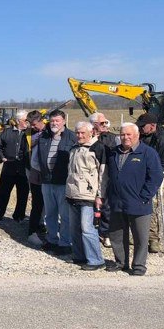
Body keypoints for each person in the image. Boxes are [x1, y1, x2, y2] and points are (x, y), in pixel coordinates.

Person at [103, 123, 164, 276]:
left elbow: (155, 177)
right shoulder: (113, 153)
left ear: (137, 135)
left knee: (140, 237)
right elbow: (108, 177)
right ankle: (121, 262)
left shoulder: (147, 153)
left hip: (139, 203)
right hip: (117, 202)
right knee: (117, 234)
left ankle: (138, 266)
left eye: (129, 134)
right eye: (123, 134)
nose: (125, 137)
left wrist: (144, 197)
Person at [30, 110, 76, 255]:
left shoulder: (71, 137)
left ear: (64, 121)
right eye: (52, 121)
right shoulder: (44, 136)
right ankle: (51, 240)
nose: (54, 123)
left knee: (65, 215)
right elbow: (35, 159)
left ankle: (64, 242)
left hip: (63, 182)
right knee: (50, 214)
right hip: (47, 181)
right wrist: (43, 171)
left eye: (57, 120)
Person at [65, 121, 107, 271]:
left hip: (89, 196)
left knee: (87, 228)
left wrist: (100, 196)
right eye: (77, 133)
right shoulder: (74, 148)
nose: (79, 135)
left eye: (83, 133)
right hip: (72, 194)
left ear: (92, 132)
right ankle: (79, 256)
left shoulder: (98, 148)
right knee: (74, 228)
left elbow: (102, 175)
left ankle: (96, 260)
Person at [136, 112, 164, 254]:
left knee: (150, 207)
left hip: (152, 178)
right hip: (137, 176)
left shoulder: (163, 140)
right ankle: (138, 235)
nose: (140, 129)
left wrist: (157, 178)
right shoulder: (139, 137)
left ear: (152, 126)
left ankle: (153, 239)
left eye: (142, 126)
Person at [0, 110, 29, 222]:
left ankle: (19, 216)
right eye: (25, 120)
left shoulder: (29, 134)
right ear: (18, 121)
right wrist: (2, 158)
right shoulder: (7, 132)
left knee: (23, 194)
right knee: (3, 192)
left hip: (24, 169)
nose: (27, 122)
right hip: (9, 168)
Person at [89, 112, 117, 248]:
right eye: (102, 123)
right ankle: (92, 231)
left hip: (105, 174)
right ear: (93, 125)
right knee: (91, 206)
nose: (105, 125)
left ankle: (106, 234)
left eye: (106, 122)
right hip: (89, 176)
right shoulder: (86, 137)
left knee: (105, 205)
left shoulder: (111, 138)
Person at [25, 110, 47, 247]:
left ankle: (43, 226)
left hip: (47, 173)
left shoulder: (50, 132)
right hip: (34, 172)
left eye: (34, 124)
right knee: (37, 203)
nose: (32, 127)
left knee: (48, 204)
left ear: (41, 120)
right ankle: (32, 231)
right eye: (30, 124)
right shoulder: (30, 134)